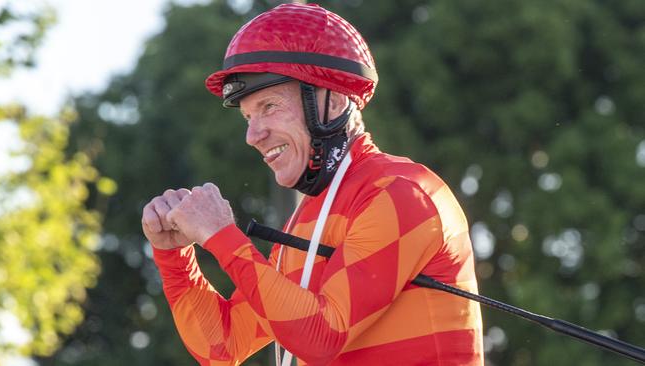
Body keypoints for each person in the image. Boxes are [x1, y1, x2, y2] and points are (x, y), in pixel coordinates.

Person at [141, 3, 483, 365]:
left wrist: (221, 235)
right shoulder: (307, 219)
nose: (252, 135)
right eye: (247, 117)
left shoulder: (402, 192)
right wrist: (175, 257)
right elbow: (223, 346)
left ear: (333, 101)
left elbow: (322, 335)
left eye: (269, 106)